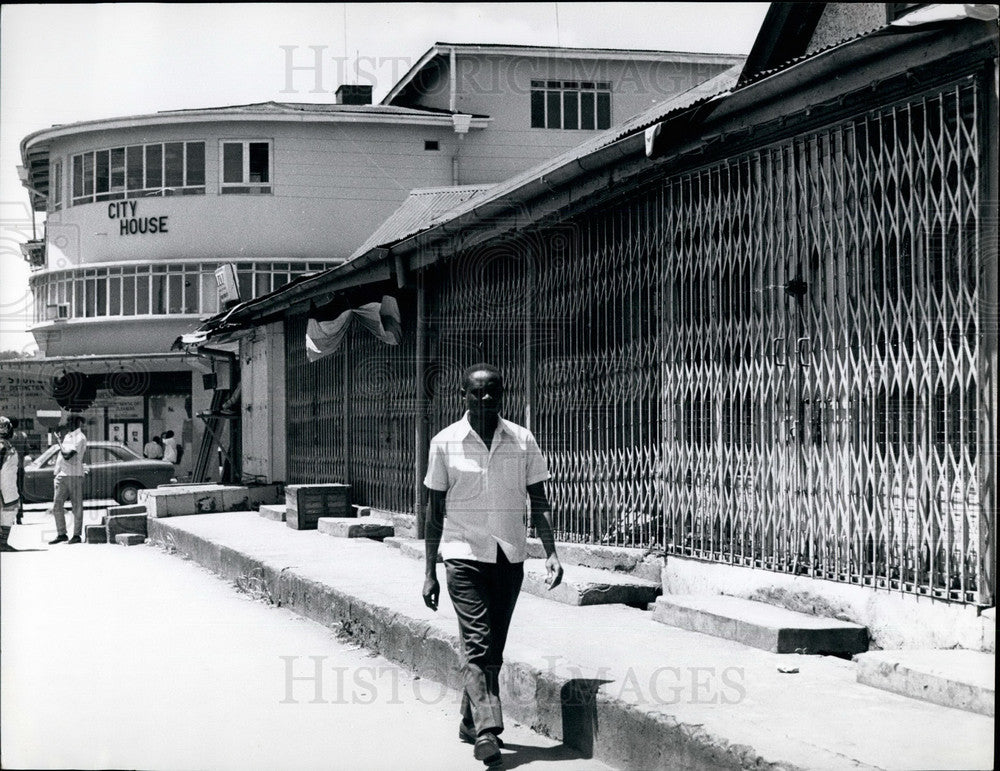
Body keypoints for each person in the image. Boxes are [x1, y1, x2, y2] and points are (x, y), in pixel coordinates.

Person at [422, 363, 563, 767]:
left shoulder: (522, 439)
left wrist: (551, 552)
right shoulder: (444, 443)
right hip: (463, 556)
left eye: (492, 392)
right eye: (476, 392)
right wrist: (429, 570)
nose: (484, 399)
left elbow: (539, 501)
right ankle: (488, 731)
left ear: (503, 395)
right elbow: (433, 513)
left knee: (491, 650)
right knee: (480, 642)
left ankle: (469, 721)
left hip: (508, 557)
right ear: (462, 395)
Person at [48, 414, 88, 545]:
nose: (67, 425)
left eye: (69, 422)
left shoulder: (80, 437)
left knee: (76, 506)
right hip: (63, 475)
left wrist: (58, 442)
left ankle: (76, 535)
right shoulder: (68, 436)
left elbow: (67, 455)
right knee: (56, 506)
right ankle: (62, 533)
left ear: (75, 423)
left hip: (74, 475)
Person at [1, 416, 20, 552]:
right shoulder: (3, 446)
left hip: (7, 485)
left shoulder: (5, 445)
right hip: (4, 487)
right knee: (8, 512)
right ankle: (2, 543)